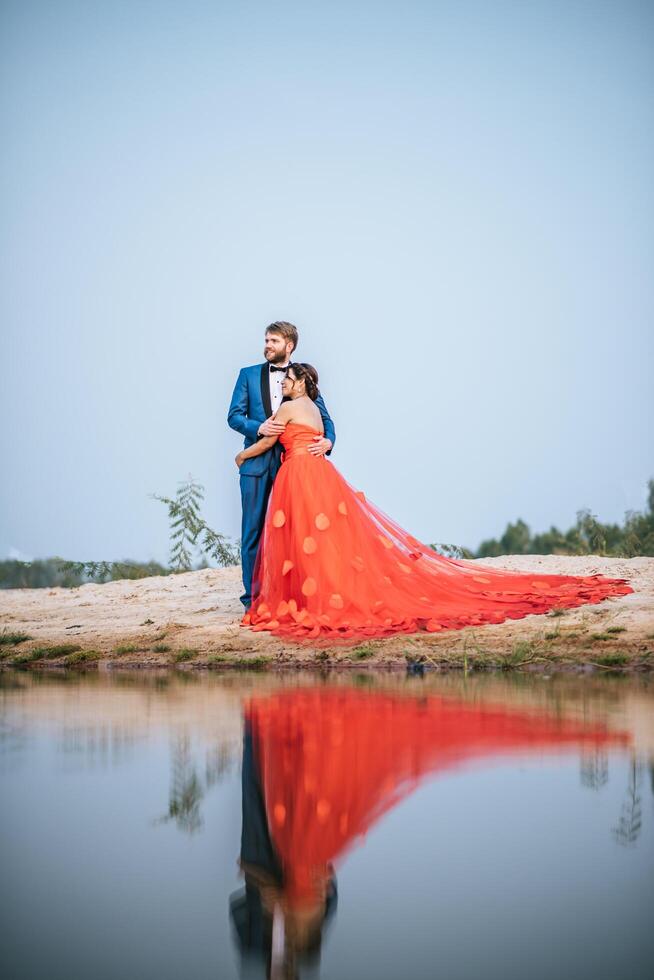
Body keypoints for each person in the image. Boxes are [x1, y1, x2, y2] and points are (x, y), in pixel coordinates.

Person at [235, 362, 633, 643]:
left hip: (298, 476)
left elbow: (269, 441)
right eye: (284, 380)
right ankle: (319, 592)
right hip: (320, 475)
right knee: (326, 539)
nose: (285, 384)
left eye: (289, 379)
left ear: (301, 381)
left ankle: (307, 597)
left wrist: (241, 456)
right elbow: (321, 431)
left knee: (302, 538)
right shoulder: (314, 411)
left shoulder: (289, 406)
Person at [228, 322, 336, 611]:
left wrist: (328, 442)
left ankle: (293, 596)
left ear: (289, 345)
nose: (267, 345)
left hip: (296, 467)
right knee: (253, 532)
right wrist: (257, 426)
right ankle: (252, 600)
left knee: (296, 533)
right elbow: (234, 417)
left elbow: (326, 420)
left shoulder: (301, 379)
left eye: (273, 340)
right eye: (266, 339)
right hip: (257, 465)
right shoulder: (247, 375)